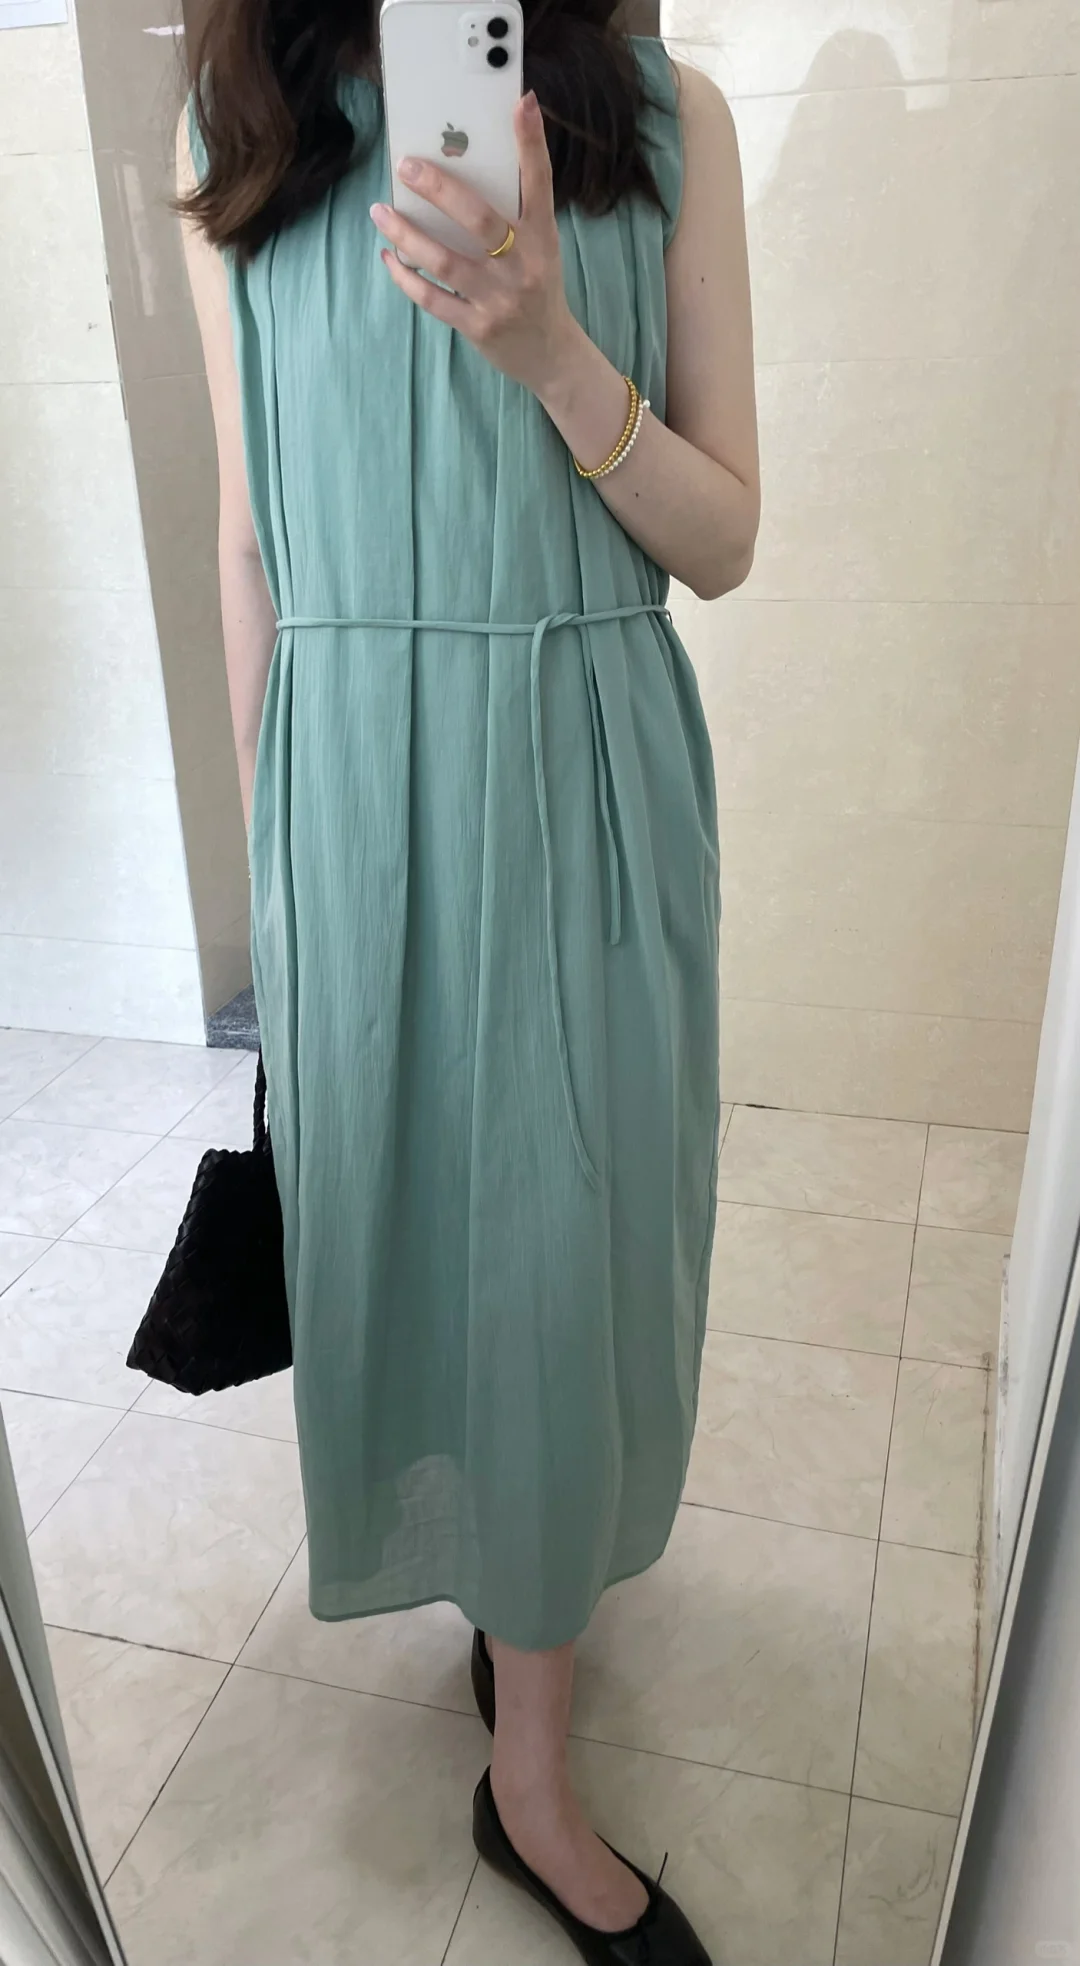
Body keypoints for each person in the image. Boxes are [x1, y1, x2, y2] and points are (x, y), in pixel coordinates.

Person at [179, 1, 758, 1955]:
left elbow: (724, 537)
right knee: (418, 1247)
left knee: (567, 1267)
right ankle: (503, 1599)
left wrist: (553, 353)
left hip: (583, 775)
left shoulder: (668, 125)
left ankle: (529, 1775)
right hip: (350, 798)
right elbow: (248, 542)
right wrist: (279, 887)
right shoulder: (241, 135)